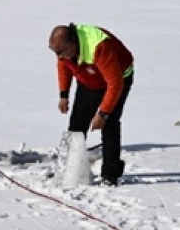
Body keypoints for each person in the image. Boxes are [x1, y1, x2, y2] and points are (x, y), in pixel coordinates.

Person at [48, 23, 135, 186]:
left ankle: (110, 175)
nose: (58, 56)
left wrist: (103, 113)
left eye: (60, 52)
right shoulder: (64, 52)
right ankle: (70, 169)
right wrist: (64, 94)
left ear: (72, 45)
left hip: (118, 79)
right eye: (55, 52)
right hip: (89, 79)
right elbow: (63, 66)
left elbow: (115, 83)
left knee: (109, 124)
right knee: (76, 125)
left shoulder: (100, 46)